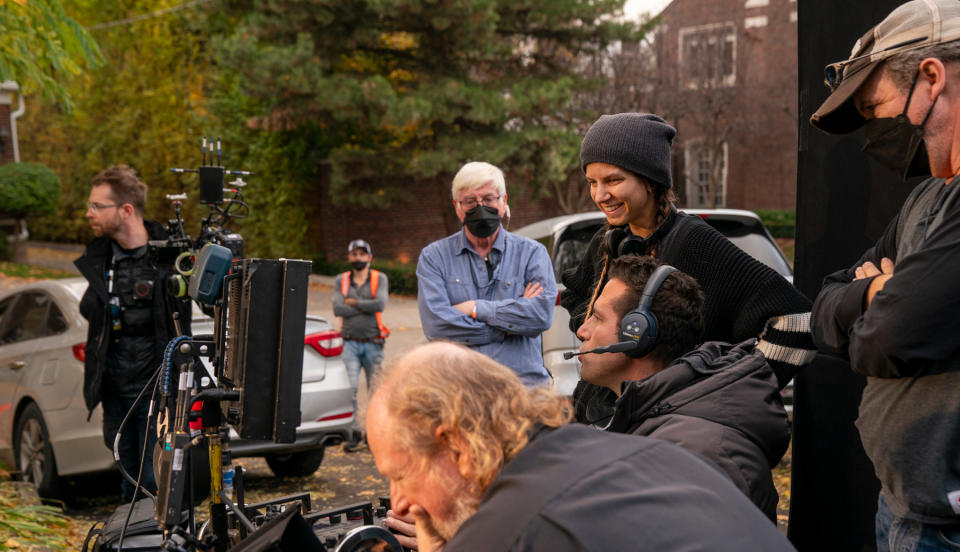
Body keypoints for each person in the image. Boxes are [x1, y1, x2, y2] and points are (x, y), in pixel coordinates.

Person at [367, 342, 858, 552]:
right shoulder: (650, 453)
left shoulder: (497, 547)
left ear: (454, 443)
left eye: (401, 474)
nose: (399, 503)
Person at [809, 1, 960, 552]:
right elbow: (825, 304)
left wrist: (876, 307)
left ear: (932, 78)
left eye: (874, 108)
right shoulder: (928, 196)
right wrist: (872, 296)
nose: (875, 130)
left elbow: (892, 340)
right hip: (901, 513)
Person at [560, 113, 815, 424]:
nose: (600, 195)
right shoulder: (610, 240)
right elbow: (577, 294)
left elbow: (799, 323)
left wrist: (727, 391)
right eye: (592, 182)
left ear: (651, 181)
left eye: (613, 180)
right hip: (602, 421)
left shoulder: (695, 243)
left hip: (671, 432)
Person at [576, 255, 789, 521]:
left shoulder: (701, 454)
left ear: (637, 335)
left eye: (597, 317)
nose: (582, 331)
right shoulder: (651, 420)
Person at [75, 165, 191, 501]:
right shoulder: (99, 259)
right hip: (114, 393)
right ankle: (134, 550)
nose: (88, 214)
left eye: (97, 206)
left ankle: (163, 547)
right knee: (128, 480)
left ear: (126, 210)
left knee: (156, 480)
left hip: (158, 389)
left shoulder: (171, 257)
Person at [416, 161, 556, 386]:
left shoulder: (532, 253)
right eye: (470, 201)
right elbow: (437, 327)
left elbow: (540, 316)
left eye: (489, 199)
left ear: (503, 202)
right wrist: (508, 328)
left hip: (523, 390)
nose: (480, 208)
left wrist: (475, 308)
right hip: (462, 392)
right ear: (457, 207)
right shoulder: (434, 257)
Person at [333, 238, 388, 452]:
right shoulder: (341, 280)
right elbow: (338, 309)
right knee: (351, 390)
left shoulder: (379, 278)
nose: (358, 258)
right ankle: (353, 433)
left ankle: (373, 435)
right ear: (349, 257)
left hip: (373, 342)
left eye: (362, 254)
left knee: (375, 391)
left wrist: (353, 303)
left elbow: (380, 304)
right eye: (354, 254)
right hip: (349, 343)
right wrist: (367, 307)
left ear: (369, 257)